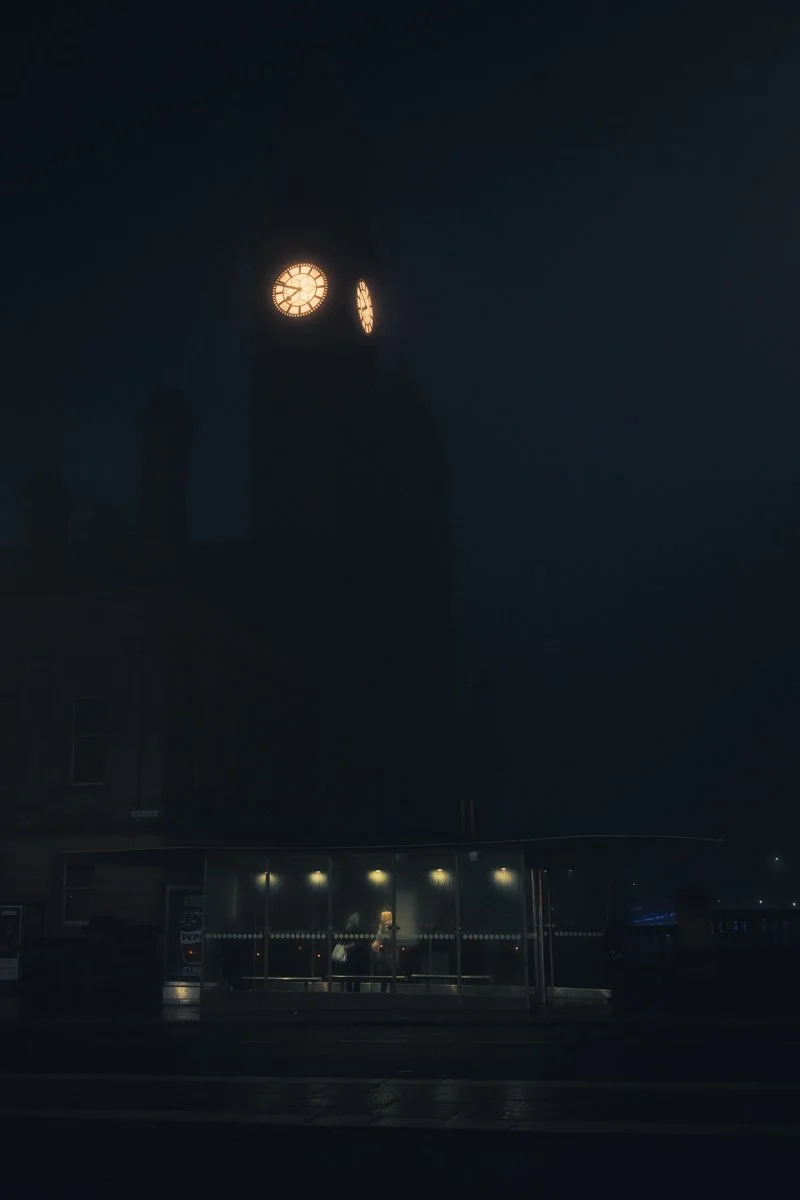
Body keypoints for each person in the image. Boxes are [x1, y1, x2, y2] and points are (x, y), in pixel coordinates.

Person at [371, 909, 397, 994]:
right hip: (385, 957)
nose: (381, 918)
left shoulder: (389, 926)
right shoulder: (383, 926)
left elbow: (383, 938)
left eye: (383, 916)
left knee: (387, 979)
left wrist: (378, 940)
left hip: (388, 957)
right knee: (385, 980)